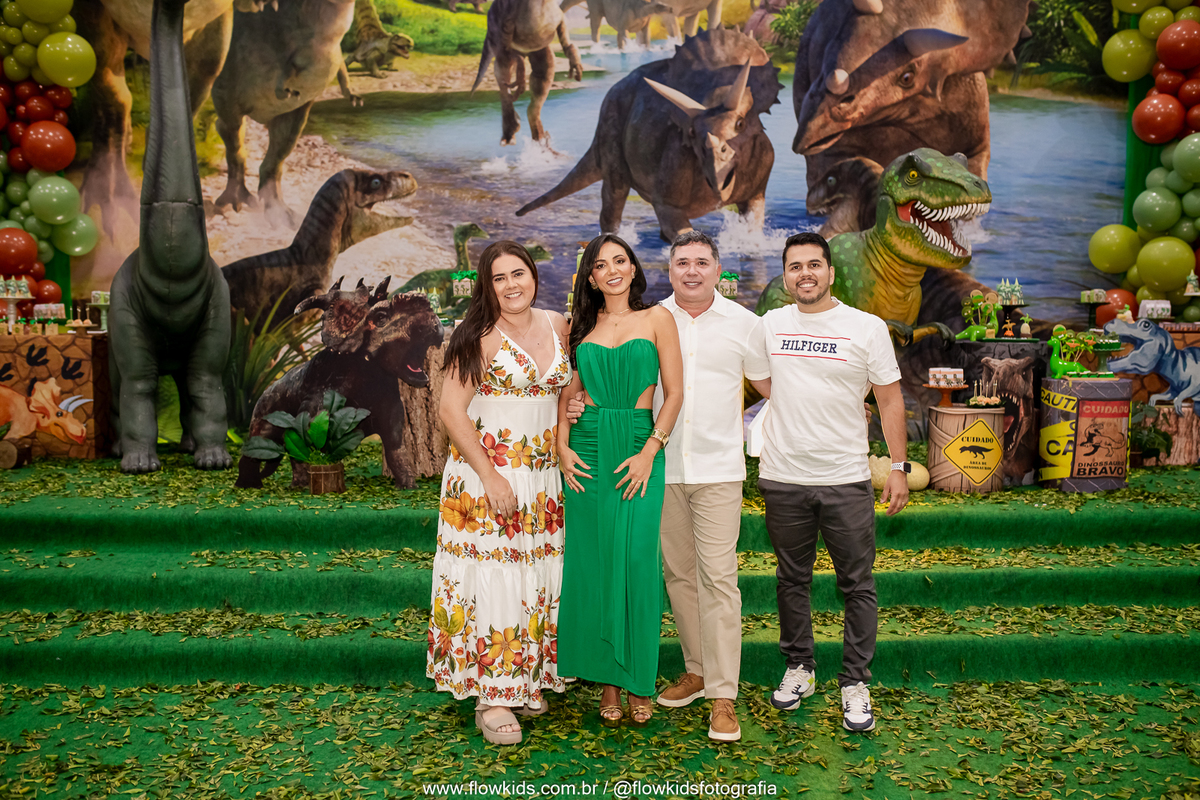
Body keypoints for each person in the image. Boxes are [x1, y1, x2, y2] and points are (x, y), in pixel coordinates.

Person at [758, 231, 909, 733]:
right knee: (791, 579)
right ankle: (799, 667)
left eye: (814, 264)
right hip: (783, 477)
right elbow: (756, 376)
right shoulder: (769, 325)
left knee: (857, 584)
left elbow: (889, 399)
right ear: (786, 277)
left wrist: (899, 466)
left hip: (845, 477)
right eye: (795, 266)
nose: (805, 273)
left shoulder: (866, 327)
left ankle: (855, 682)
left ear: (830, 272)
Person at [428, 240, 572, 746]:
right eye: (499, 278)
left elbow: (564, 391)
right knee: (496, 577)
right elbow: (450, 410)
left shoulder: (558, 324)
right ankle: (491, 698)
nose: (512, 285)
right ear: (486, 288)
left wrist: (570, 414)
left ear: (534, 275)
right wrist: (490, 476)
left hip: (542, 478)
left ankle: (525, 679)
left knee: (533, 575)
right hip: (487, 477)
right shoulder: (478, 336)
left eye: (519, 274)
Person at [646, 231, 770, 742]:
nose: (692, 271)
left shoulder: (745, 324)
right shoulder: (651, 320)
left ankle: (723, 695)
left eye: (701, 262)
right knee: (679, 576)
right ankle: (696, 671)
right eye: (682, 262)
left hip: (719, 471)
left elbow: (772, 388)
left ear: (718, 270)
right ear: (669, 270)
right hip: (661, 469)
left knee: (719, 579)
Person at [556, 233, 684, 727]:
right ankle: (607, 682)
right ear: (590, 278)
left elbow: (674, 394)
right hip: (587, 450)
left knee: (635, 562)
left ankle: (637, 681)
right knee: (593, 561)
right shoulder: (580, 327)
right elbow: (569, 392)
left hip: (637, 445)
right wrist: (562, 444)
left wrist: (650, 451)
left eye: (619, 261)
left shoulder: (658, 319)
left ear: (633, 268)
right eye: (600, 265)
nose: (611, 270)